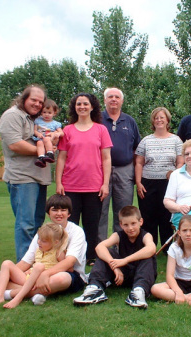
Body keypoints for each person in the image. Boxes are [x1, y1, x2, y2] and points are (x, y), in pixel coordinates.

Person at [0, 194, 88, 305]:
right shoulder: (43, 232)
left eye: (63, 210)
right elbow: (26, 262)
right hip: (36, 274)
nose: (59, 213)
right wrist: (0, 280)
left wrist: (46, 275)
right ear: (48, 213)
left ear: (69, 213)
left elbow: (69, 262)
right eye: (54, 210)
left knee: (60, 279)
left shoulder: (76, 231)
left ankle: (7, 294)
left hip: (69, 275)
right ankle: (36, 293)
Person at [56, 93, 112, 264]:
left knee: (92, 224)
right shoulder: (68, 130)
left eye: (85, 104)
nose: (82, 107)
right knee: (69, 224)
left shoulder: (101, 129)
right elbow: (62, 158)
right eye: (78, 104)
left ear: (92, 107)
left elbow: (106, 158)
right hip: (70, 185)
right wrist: (58, 182)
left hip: (94, 186)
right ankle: (67, 256)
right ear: (75, 107)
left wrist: (105, 184)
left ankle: (90, 257)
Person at [0, 84, 51, 262]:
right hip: (22, 178)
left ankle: (35, 260)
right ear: (24, 98)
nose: (37, 104)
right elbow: (15, 144)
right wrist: (41, 151)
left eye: (40, 102)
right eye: (33, 100)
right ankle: (24, 264)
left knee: (37, 223)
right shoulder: (13, 115)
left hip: (38, 177)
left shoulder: (31, 119)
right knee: (25, 224)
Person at [73, 206, 157, 309]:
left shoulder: (146, 235)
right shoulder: (118, 235)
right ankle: (95, 288)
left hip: (141, 273)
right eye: (126, 225)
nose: (130, 228)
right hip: (121, 276)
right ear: (121, 225)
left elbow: (151, 248)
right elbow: (99, 247)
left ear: (141, 222)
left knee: (148, 256)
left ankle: (138, 292)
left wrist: (124, 260)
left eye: (133, 224)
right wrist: (114, 266)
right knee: (106, 252)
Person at [0, 223, 69, 309]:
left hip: (41, 282)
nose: (39, 242)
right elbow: (27, 264)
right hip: (28, 279)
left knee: (39, 266)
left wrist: (46, 274)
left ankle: (18, 297)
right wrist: (29, 271)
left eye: (43, 241)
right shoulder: (38, 250)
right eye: (39, 239)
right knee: (6, 263)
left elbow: (66, 268)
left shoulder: (58, 252)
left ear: (55, 242)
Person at [135, 107, 184, 250]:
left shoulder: (176, 140)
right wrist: (138, 182)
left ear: (167, 120)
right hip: (147, 182)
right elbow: (139, 162)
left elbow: (180, 161)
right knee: (148, 214)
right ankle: (149, 246)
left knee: (165, 215)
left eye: (162, 117)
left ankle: (167, 247)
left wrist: (175, 174)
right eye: (156, 118)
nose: (159, 120)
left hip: (168, 183)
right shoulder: (146, 140)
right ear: (153, 121)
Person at [99, 88, 141, 242]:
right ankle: (100, 246)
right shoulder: (97, 119)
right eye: (110, 96)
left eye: (117, 97)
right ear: (105, 100)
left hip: (125, 170)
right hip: (101, 171)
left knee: (123, 211)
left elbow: (137, 147)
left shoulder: (129, 121)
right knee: (101, 211)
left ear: (122, 101)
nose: (114, 99)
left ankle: (121, 245)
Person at [33, 99, 64, 168]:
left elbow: (62, 133)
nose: (46, 114)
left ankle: (50, 153)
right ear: (41, 112)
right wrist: (38, 134)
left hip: (49, 139)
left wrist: (57, 134)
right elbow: (34, 130)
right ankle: (41, 157)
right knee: (39, 143)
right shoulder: (38, 120)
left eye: (49, 113)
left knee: (46, 139)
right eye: (44, 112)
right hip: (40, 138)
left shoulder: (55, 124)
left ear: (54, 113)